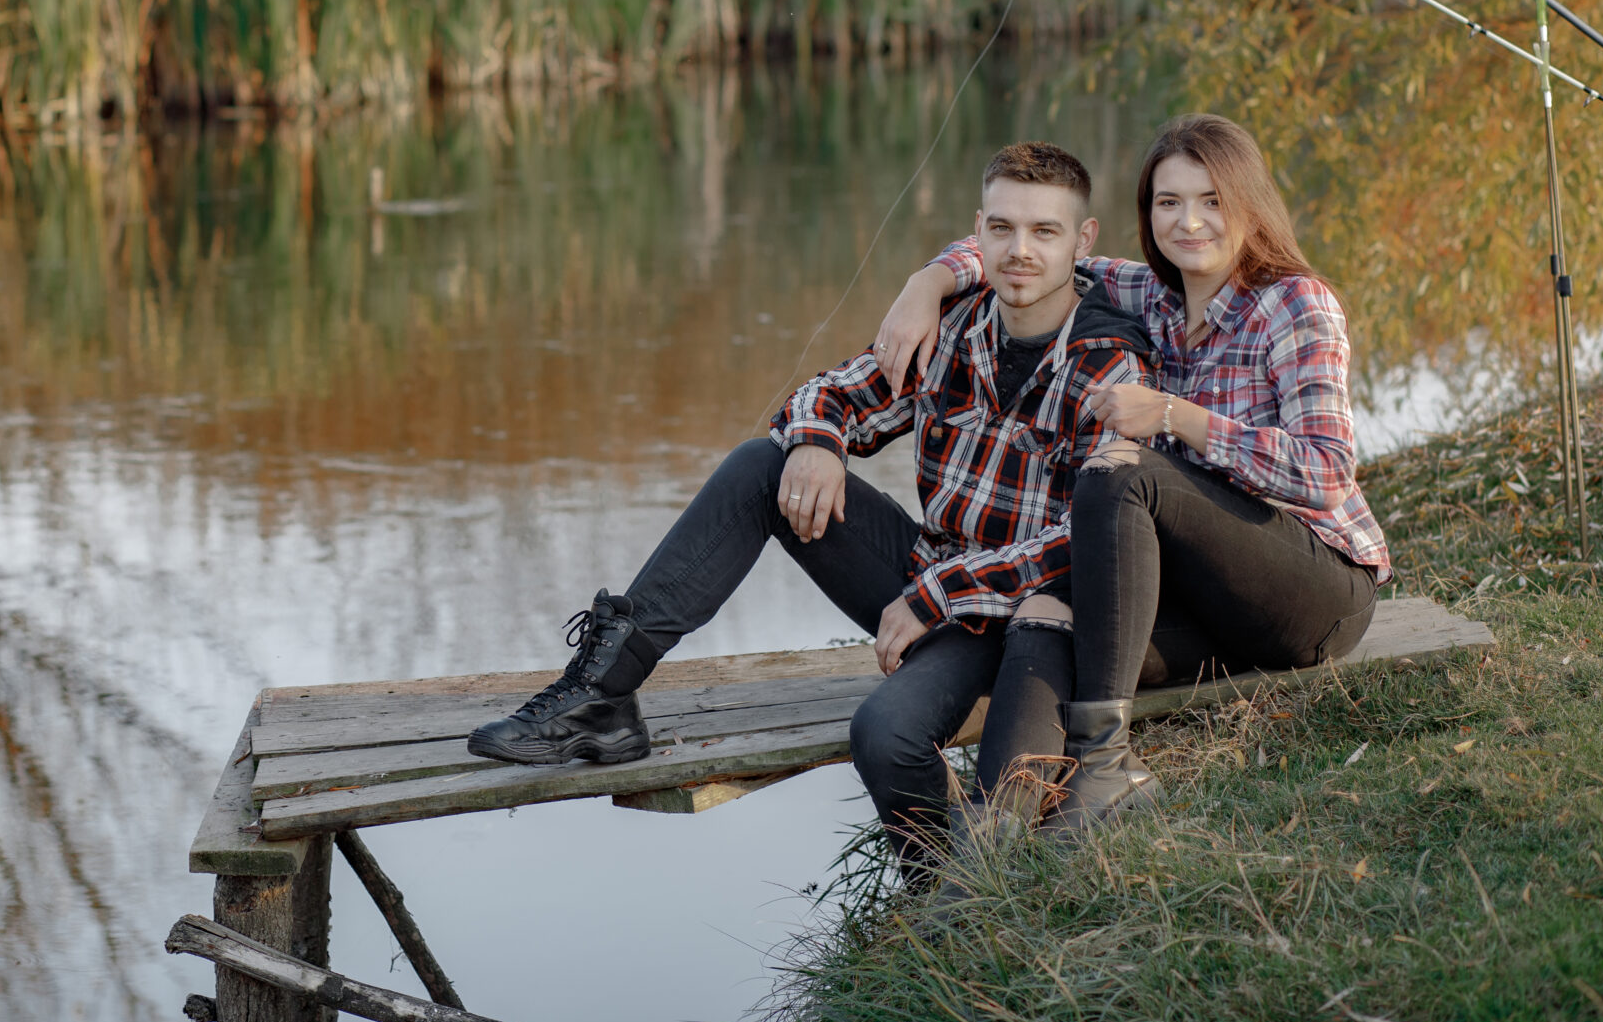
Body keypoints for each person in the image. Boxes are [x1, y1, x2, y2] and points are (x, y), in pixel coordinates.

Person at [466, 142, 1154, 874]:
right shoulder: (953, 322)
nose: (1021, 250)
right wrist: (821, 441)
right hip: (928, 580)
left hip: (1021, 623)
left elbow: (1087, 537)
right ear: (976, 232)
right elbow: (828, 394)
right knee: (766, 462)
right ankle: (601, 695)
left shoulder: (1110, 360)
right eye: (1004, 228)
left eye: (1045, 232)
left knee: (885, 732)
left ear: (1083, 240)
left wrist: (935, 595)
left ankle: (945, 891)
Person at [875, 113, 1391, 829]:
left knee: (1123, 471)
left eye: (1212, 199)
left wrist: (1175, 415)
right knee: (1044, 614)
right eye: (1168, 201)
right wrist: (926, 281)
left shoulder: (1294, 304)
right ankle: (990, 847)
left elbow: (1328, 472)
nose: (1190, 221)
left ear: (1249, 201)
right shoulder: (1147, 291)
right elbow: (1026, 248)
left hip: (1312, 587)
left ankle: (1106, 764)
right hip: (1203, 595)